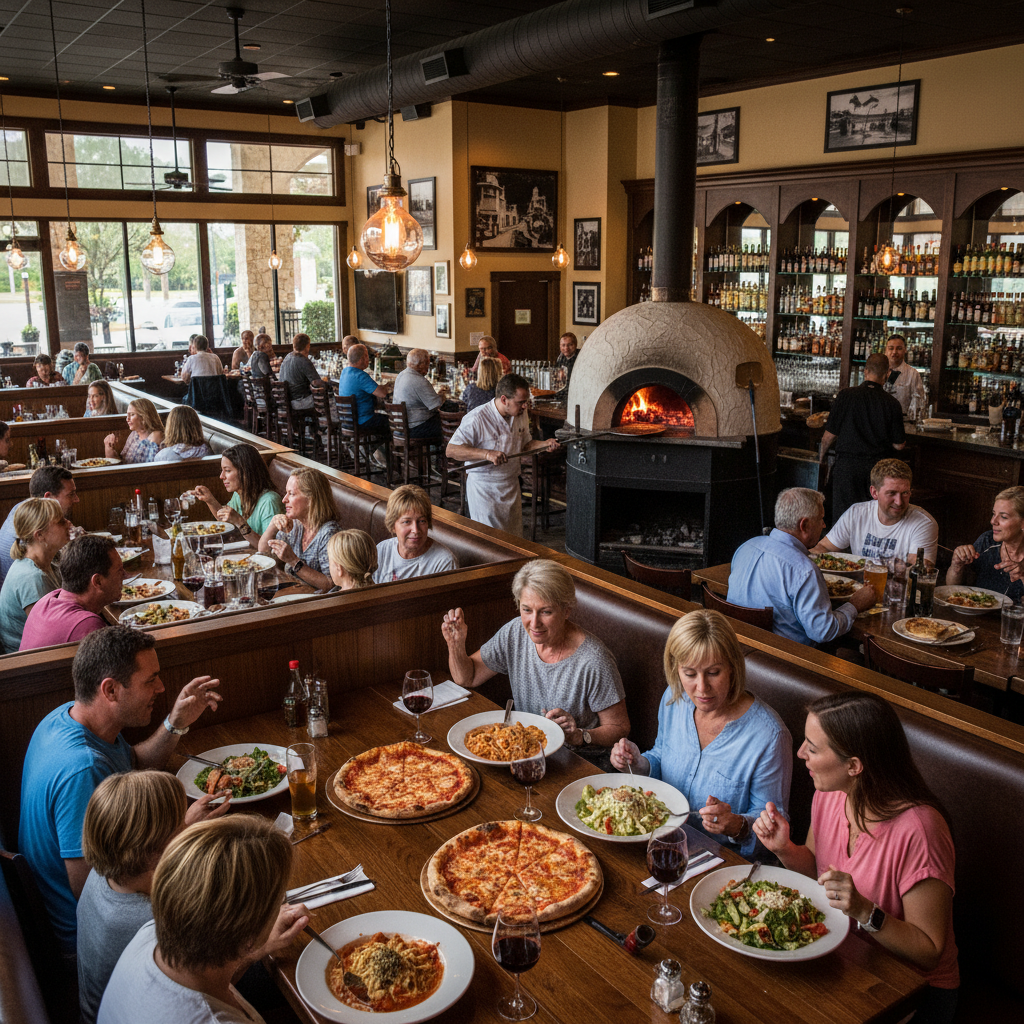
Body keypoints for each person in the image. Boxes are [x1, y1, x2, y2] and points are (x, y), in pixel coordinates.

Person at [753, 693, 959, 1023]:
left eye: (812, 748)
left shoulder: (921, 830)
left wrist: (865, 911)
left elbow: (929, 951)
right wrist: (785, 849)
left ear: (853, 766)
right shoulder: (829, 794)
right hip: (846, 957)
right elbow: (819, 874)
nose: (801, 753)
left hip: (912, 989)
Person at [18, 625, 224, 954]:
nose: (161, 687)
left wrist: (176, 723)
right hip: (95, 943)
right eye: (150, 680)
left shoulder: (67, 718)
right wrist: (182, 831)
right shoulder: (82, 771)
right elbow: (97, 889)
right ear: (111, 690)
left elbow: (133, 762)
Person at [611, 609, 792, 859]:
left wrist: (736, 826)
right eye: (689, 674)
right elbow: (661, 755)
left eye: (714, 672)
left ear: (732, 667)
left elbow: (774, 832)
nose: (701, 687)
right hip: (658, 839)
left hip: (722, 860)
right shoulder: (674, 698)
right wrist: (638, 762)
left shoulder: (770, 736)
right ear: (676, 668)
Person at [97, 815, 309, 1024]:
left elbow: (209, 982)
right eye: (280, 898)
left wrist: (256, 949)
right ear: (248, 930)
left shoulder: (152, 933)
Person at [77, 772, 230, 1024]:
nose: (184, 828)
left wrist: (184, 828)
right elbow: (209, 984)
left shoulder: (108, 864)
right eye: (178, 826)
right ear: (155, 850)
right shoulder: (155, 921)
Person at [442, 559, 629, 756]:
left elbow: (620, 727)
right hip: (525, 753)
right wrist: (456, 645)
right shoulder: (515, 632)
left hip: (578, 761)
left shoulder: (593, 660)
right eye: (527, 610)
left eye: (545, 612)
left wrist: (580, 736)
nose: (534, 623)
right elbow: (468, 677)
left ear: (566, 610)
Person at [729, 488, 876, 647]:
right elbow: (823, 632)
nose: (824, 525)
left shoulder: (746, 546)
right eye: (821, 518)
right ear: (804, 525)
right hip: (788, 656)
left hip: (739, 647)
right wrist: (854, 606)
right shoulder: (804, 570)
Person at [447, 373, 560, 535]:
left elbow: (525, 445)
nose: (525, 406)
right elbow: (451, 450)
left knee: (513, 538)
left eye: (526, 402)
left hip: (511, 484)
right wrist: (487, 454)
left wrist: (544, 444)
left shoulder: (520, 414)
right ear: (504, 399)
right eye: (520, 402)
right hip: (484, 488)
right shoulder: (477, 417)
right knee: (490, 540)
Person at [819, 352, 906, 521]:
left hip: (847, 468)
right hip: (877, 471)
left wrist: (821, 460)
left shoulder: (846, 395)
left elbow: (828, 436)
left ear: (865, 371)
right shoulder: (892, 403)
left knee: (843, 519)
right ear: (887, 374)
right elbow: (899, 445)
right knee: (870, 519)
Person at [814, 458, 937, 567]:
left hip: (895, 586)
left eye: (905, 493)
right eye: (892, 493)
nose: (899, 502)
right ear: (874, 492)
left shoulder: (923, 523)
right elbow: (824, 547)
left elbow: (919, 570)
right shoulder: (857, 513)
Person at [21, 535, 126, 650]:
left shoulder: (46, 601)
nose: (124, 575)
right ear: (98, 581)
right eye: (119, 570)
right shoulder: (87, 625)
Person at [0, 497, 69, 652]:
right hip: (27, 660)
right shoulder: (32, 578)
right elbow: (50, 637)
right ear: (40, 535)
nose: (68, 523)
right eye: (60, 521)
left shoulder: (46, 563)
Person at [258, 465, 339, 591]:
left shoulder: (328, 534)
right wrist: (273, 525)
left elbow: (331, 584)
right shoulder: (295, 524)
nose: (284, 499)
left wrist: (293, 561)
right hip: (292, 592)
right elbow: (264, 552)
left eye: (291, 494)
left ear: (311, 499)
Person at [0, 464, 78, 585]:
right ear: (48, 498)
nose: (76, 499)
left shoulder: (22, 510)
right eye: (71, 494)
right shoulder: (36, 530)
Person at [194, 442, 285, 543]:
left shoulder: (270, 501)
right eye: (222, 470)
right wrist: (210, 500)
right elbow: (225, 520)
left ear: (245, 472)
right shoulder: (238, 494)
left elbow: (270, 547)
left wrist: (240, 522)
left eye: (227, 470)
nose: (221, 476)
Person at [947, 485, 1024, 602]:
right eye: (993, 514)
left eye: (1003, 517)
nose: (993, 521)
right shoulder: (987, 541)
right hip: (978, 613)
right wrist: (956, 567)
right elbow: (952, 590)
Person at [374, 484, 457, 582]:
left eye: (422, 521)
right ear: (393, 526)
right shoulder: (382, 551)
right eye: (406, 522)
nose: (416, 530)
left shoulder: (443, 563)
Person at [339, 342, 390, 468]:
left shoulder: (345, 372)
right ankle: (380, 454)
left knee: (383, 420)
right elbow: (382, 393)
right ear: (362, 359)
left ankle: (374, 451)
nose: (369, 360)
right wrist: (388, 386)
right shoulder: (360, 375)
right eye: (367, 357)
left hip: (347, 421)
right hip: (362, 421)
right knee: (394, 423)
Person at [393, 348, 444, 439]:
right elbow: (437, 406)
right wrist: (443, 395)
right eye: (427, 364)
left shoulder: (401, 375)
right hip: (414, 429)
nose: (428, 367)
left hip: (399, 428)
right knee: (449, 424)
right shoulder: (419, 381)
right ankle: (447, 447)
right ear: (421, 364)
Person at [104, 398, 164, 463]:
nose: (127, 419)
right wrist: (110, 450)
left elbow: (153, 466)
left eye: (132, 414)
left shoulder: (157, 437)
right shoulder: (134, 434)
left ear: (144, 417)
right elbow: (123, 461)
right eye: (127, 415)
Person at [883, 334, 926, 416]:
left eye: (899, 348)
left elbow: (919, 403)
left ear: (905, 350)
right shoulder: (878, 371)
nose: (894, 352)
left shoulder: (913, 374)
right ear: (886, 350)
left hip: (902, 420)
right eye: (891, 348)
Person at [278, 332, 322, 411]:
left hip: (285, 402)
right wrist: (327, 383)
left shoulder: (287, 357)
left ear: (294, 346)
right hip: (299, 402)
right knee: (329, 398)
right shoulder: (303, 360)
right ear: (307, 346)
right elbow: (315, 382)